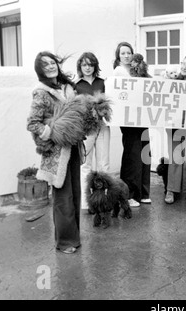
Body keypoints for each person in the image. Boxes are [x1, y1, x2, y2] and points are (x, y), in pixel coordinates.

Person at [27, 51, 81, 254]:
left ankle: (74, 237)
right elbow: (33, 123)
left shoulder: (67, 88)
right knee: (62, 196)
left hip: (73, 147)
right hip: (56, 151)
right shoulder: (41, 92)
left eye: (52, 63)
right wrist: (53, 133)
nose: (50, 66)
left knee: (75, 193)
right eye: (45, 65)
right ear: (39, 70)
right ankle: (65, 241)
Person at [113, 42, 151, 207]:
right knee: (132, 154)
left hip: (142, 117)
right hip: (129, 119)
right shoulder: (119, 71)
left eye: (129, 53)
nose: (127, 56)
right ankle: (130, 194)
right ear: (118, 56)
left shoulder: (138, 71)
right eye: (123, 53)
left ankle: (143, 192)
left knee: (144, 152)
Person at [75, 52, 110, 210]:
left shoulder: (104, 82)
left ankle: (104, 200)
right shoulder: (76, 85)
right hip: (86, 128)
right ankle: (86, 202)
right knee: (85, 165)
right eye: (84, 65)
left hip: (102, 126)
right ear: (80, 67)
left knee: (104, 163)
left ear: (95, 66)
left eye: (90, 64)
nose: (87, 68)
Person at [164, 55, 186, 204]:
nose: (184, 67)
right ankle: (171, 190)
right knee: (175, 157)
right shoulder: (172, 82)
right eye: (183, 64)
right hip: (175, 124)